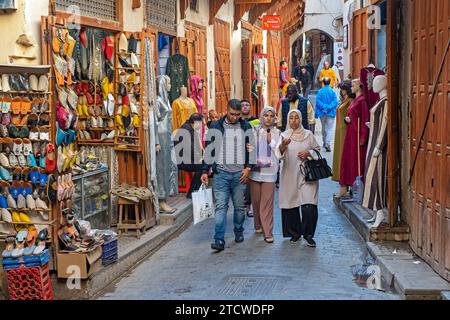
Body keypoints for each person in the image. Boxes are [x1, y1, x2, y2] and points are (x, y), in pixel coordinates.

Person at [201, 99, 255, 252]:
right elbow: (209, 150)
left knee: (239, 207)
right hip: (221, 174)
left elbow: (252, 149)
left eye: (237, 115)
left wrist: (248, 168)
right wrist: (205, 171)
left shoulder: (246, 126)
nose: (234, 117)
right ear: (227, 110)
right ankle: (219, 239)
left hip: (240, 175)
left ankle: (238, 230)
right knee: (221, 207)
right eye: (232, 114)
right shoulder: (216, 126)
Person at [275, 109, 320, 247]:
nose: (294, 121)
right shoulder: (284, 135)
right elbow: (278, 154)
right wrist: (283, 146)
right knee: (291, 204)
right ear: (288, 120)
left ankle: (308, 235)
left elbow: (318, 151)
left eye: (297, 118)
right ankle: (294, 233)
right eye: (291, 118)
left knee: (309, 205)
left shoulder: (309, 134)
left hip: (308, 176)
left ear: (301, 119)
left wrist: (309, 153)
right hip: (290, 174)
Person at [248, 107, 280, 244]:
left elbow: (279, 153)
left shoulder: (277, 132)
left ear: (274, 118)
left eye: (271, 115)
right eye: (266, 115)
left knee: (267, 204)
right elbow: (248, 147)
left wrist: (270, 141)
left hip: (270, 172)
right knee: (256, 201)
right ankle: (258, 225)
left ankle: (268, 232)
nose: (268, 118)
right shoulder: (254, 130)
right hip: (255, 171)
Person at [340, 79, 370, 189]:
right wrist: (348, 120)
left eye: (353, 84)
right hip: (351, 134)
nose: (351, 86)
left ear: (359, 86)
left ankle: (358, 186)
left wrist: (363, 137)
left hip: (357, 135)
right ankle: (351, 184)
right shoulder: (355, 100)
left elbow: (364, 119)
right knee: (350, 159)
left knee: (356, 161)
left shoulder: (362, 101)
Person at [173, 113, 204, 199]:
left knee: (203, 165)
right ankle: (192, 192)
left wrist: (202, 155)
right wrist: (199, 159)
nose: (201, 126)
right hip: (179, 160)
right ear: (196, 122)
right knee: (201, 167)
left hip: (186, 158)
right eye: (201, 123)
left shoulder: (190, 128)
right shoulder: (186, 130)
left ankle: (195, 190)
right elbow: (189, 149)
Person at [332, 81, 354, 191]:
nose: (342, 90)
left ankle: (345, 182)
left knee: (343, 154)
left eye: (343, 88)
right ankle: (341, 179)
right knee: (339, 154)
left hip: (345, 130)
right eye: (341, 88)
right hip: (339, 130)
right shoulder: (344, 100)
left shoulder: (350, 100)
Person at [240, 99, 258, 218]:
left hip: (250, 154)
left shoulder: (256, 121)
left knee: (249, 184)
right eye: (243, 105)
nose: (245, 107)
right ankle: (240, 206)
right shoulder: (237, 121)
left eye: (247, 105)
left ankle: (248, 207)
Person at [315, 77, 339, 152]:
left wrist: (324, 107)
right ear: (329, 82)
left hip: (322, 112)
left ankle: (324, 142)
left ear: (323, 82)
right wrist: (328, 107)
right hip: (330, 112)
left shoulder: (320, 91)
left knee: (324, 128)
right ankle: (327, 143)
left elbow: (318, 101)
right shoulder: (332, 91)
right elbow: (335, 101)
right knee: (329, 128)